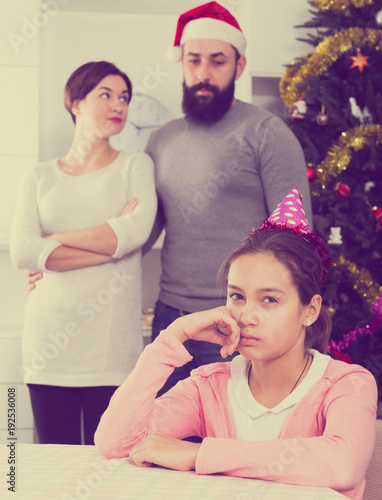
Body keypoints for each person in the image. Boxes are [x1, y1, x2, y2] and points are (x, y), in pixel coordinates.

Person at [95, 187, 377, 500]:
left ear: (309, 310)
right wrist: (172, 337)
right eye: (237, 297)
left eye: (269, 299)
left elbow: (342, 465)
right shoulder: (209, 386)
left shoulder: (347, 384)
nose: (246, 316)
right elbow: (115, 443)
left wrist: (198, 454)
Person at [143, 2, 313, 394]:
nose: (203, 74)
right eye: (194, 60)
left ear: (239, 66)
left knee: (229, 444)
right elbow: (142, 233)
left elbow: (294, 235)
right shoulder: (161, 140)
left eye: (218, 61)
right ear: (181, 63)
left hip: (237, 322)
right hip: (171, 320)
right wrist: (62, 263)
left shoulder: (267, 133)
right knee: (164, 443)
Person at [10, 61, 157, 445]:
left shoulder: (135, 166)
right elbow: (23, 250)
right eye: (105, 95)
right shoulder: (39, 177)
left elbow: (136, 232)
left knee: (109, 467)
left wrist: (54, 240)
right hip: (49, 348)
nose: (118, 105)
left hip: (111, 354)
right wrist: (112, 245)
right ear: (75, 103)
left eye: (124, 97)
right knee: (55, 467)